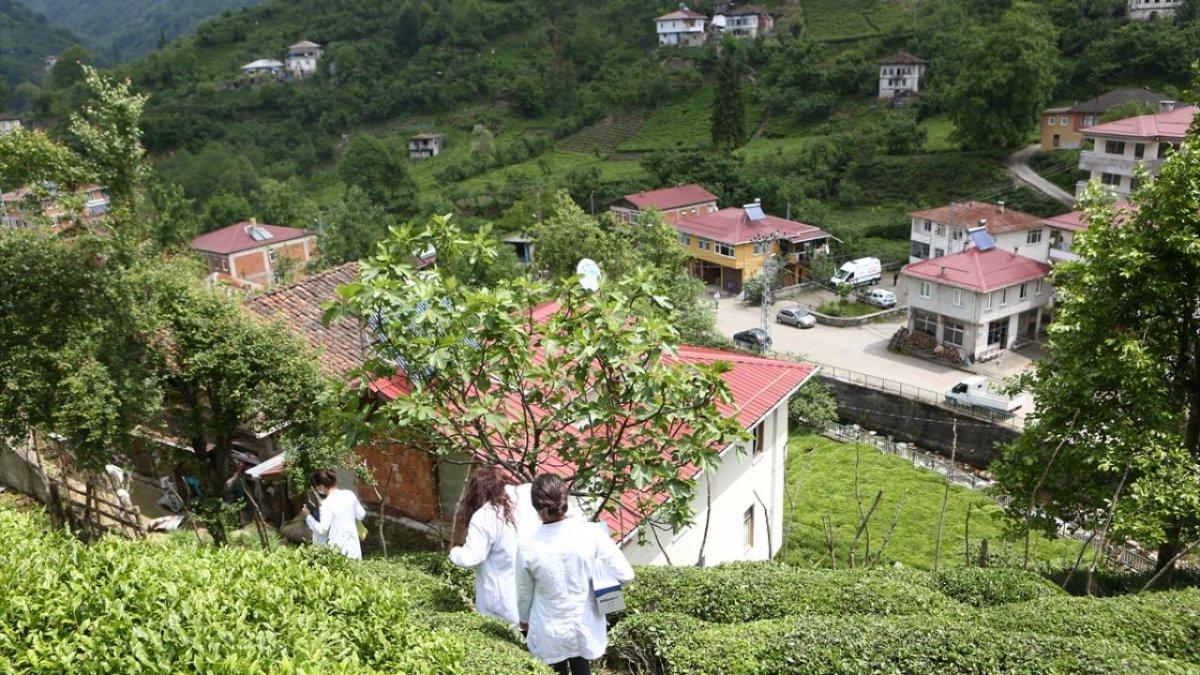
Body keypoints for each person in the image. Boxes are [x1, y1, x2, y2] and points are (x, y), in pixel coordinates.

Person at [516, 474, 634, 675]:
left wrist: (523, 618)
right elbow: (626, 574)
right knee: (581, 662)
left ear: (536, 506)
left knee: (554, 669)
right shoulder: (591, 534)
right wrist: (599, 582)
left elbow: (524, 593)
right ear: (566, 499)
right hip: (585, 622)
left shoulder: (527, 545)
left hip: (548, 627)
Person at [448, 467, 520, 626]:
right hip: (523, 595)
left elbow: (470, 558)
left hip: (499, 601)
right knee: (524, 637)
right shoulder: (515, 508)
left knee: (499, 636)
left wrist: (454, 552)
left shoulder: (485, 516)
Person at [302, 469, 365, 560]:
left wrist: (308, 516)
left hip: (338, 552)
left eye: (316, 488)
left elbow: (322, 529)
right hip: (354, 550)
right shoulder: (350, 495)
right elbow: (361, 515)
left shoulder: (327, 504)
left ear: (321, 487)